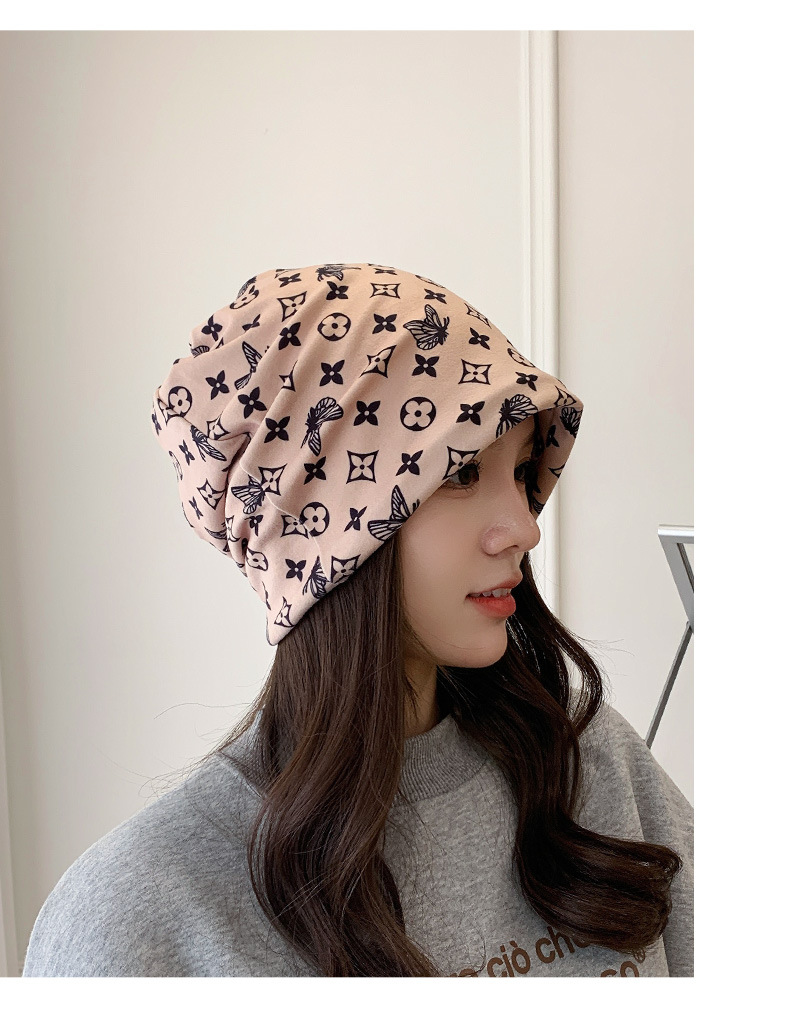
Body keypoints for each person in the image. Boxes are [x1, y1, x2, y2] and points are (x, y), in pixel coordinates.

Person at [22, 261, 693, 977]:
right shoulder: (137, 915)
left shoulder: (592, 769)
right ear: (322, 526)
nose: (526, 528)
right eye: (462, 472)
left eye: (524, 471)